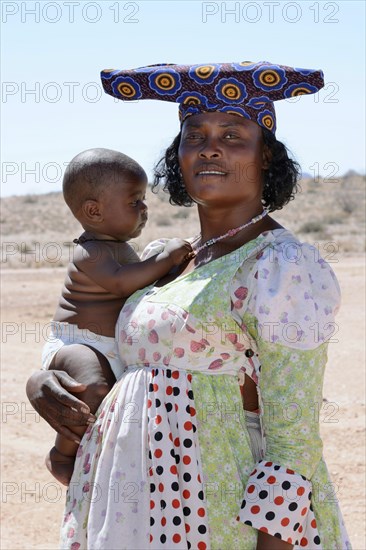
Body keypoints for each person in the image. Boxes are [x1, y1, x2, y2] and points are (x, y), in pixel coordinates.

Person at [26, 62, 351, 549]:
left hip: (217, 514)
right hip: (135, 512)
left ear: (266, 158)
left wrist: (275, 541)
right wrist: (43, 381)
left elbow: (292, 438)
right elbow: (111, 357)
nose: (210, 146)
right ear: (177, 156)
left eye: (233, 134)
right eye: (193, 135)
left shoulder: (281, 265)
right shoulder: (170, 262)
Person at [41, 147, 193, 486]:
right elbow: (122, 282)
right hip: (78, 342)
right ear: (94, 211)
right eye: (134, 202)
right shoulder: (91, 251)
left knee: (114, 402)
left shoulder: (118, 246)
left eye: (142, 200)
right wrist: (166, 259)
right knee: (92, 389)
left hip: (106, 346)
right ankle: (62, 455)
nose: (144, 209)